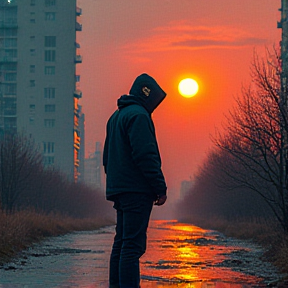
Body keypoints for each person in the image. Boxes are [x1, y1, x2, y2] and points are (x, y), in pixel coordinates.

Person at [103, 73, 167, 288]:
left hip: (120, 189)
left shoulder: (116, 116)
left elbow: (106, 158)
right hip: (136, 191)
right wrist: (160, 187)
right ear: (147, 95)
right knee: (132, 246)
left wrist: (115, 184)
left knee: (121, 243)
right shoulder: (139, 116)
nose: (154, 108)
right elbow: (145, 155)